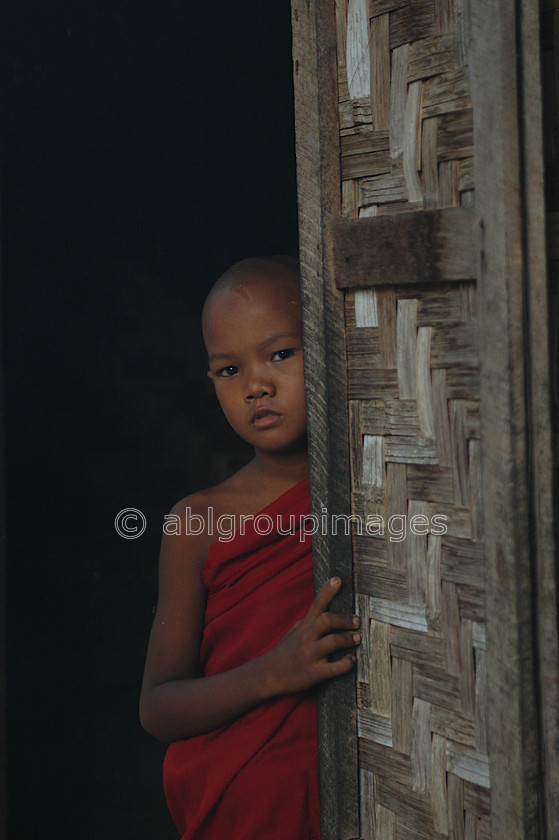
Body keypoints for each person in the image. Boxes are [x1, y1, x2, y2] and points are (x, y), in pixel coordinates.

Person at [139, 256, 361, 839]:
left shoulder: (377, 490)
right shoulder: (197, 521)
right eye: (228, 370)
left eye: (280, 354)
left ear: (323, 341)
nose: (256, 385)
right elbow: (159, 706)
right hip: (246, 802)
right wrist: (274, 672)